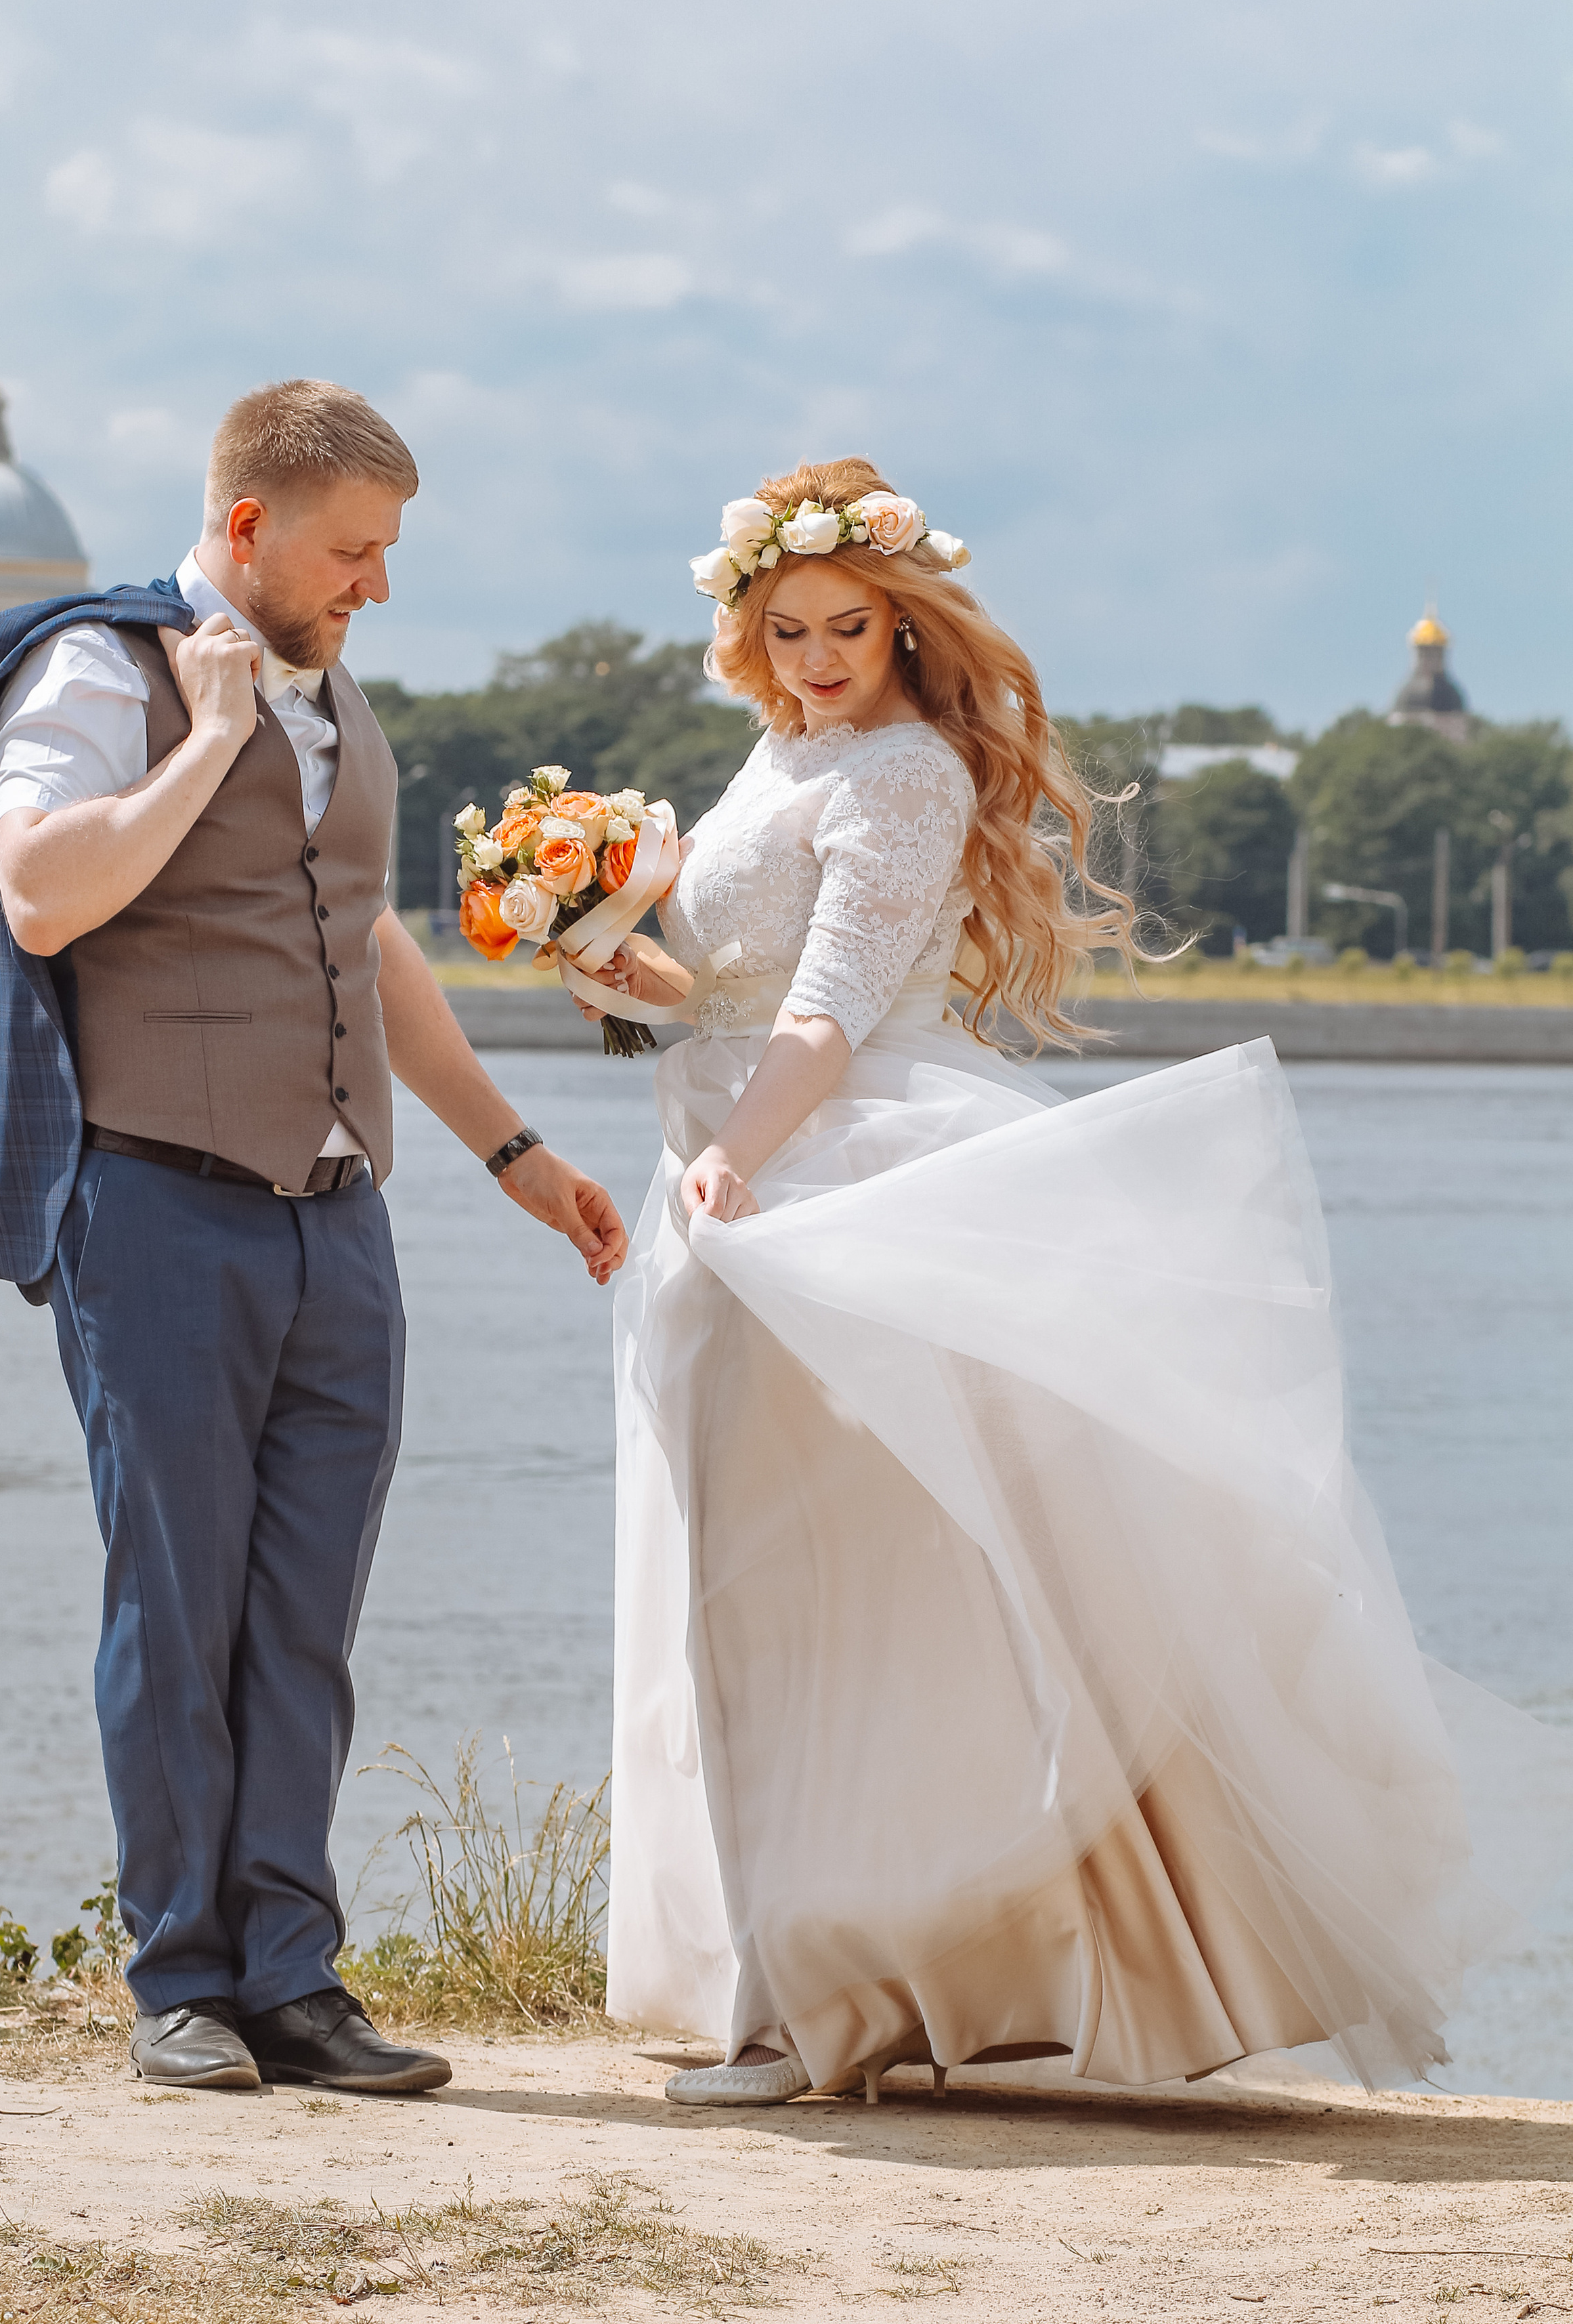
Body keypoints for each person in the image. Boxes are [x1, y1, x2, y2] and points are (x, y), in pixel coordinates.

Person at [580, 455, 1561, 2109]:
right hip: (727, 1173)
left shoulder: (904, 773)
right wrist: (615, 965)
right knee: (739, 1586)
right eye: (788, 630)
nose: (816, 660)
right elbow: (728, 986)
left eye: (848, 629)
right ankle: (799, 1971)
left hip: (829, 1180)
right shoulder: (778, 752)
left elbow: (827, 1011)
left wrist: (732, 1159)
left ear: (905, 627)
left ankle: (810, 2008)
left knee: (832, 1589)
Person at [0, 379, 626, 2094]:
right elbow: (40, 892)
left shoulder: (331, 685)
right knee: (175, 1605)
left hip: (337, 1220)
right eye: (350, 552)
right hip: (156, 1205)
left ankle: (294, 1977)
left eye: (386, 553)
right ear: (245, 527)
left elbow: (361, 935)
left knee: (306, 1614)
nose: (375, 584)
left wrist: (514, 1153)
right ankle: (181, 1978)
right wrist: (203, 744)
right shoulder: (99, 672)